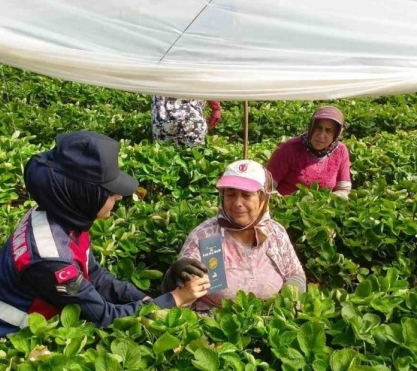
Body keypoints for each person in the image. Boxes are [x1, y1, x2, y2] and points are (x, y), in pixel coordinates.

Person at [0, 131, 209, 337]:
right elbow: (104, 317)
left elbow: (95, 275)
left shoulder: (61, 217)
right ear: (83, 194)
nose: (118, 197)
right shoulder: (50, 258)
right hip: (13, 338)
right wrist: (175, 299)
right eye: (110, 192)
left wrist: (144, 300)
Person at [162, 160, 306, 313]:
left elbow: (295, 273)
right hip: (214, 327)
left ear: (263, 198)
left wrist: (286, 302)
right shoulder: (205, 236)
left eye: (247, 195)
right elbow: (179, 294)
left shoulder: (275, 233)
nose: (238, 203)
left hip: (270, 323)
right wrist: (175, 274)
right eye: (230, 194)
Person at [267, 106, 352, 198]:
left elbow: (343, 189)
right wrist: (283, 203)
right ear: (311, 128)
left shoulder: (341, 151)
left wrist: (326, 203)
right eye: (318, 128)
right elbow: (267, 185)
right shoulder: (289, 148)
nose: (321, 135)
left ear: (336, 134)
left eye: (328, 131)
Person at [151, 96, 222, 146]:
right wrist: (216, 108)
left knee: (164, 156)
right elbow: (207, 78)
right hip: (193, 120)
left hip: (162, 119)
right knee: (194, 159)